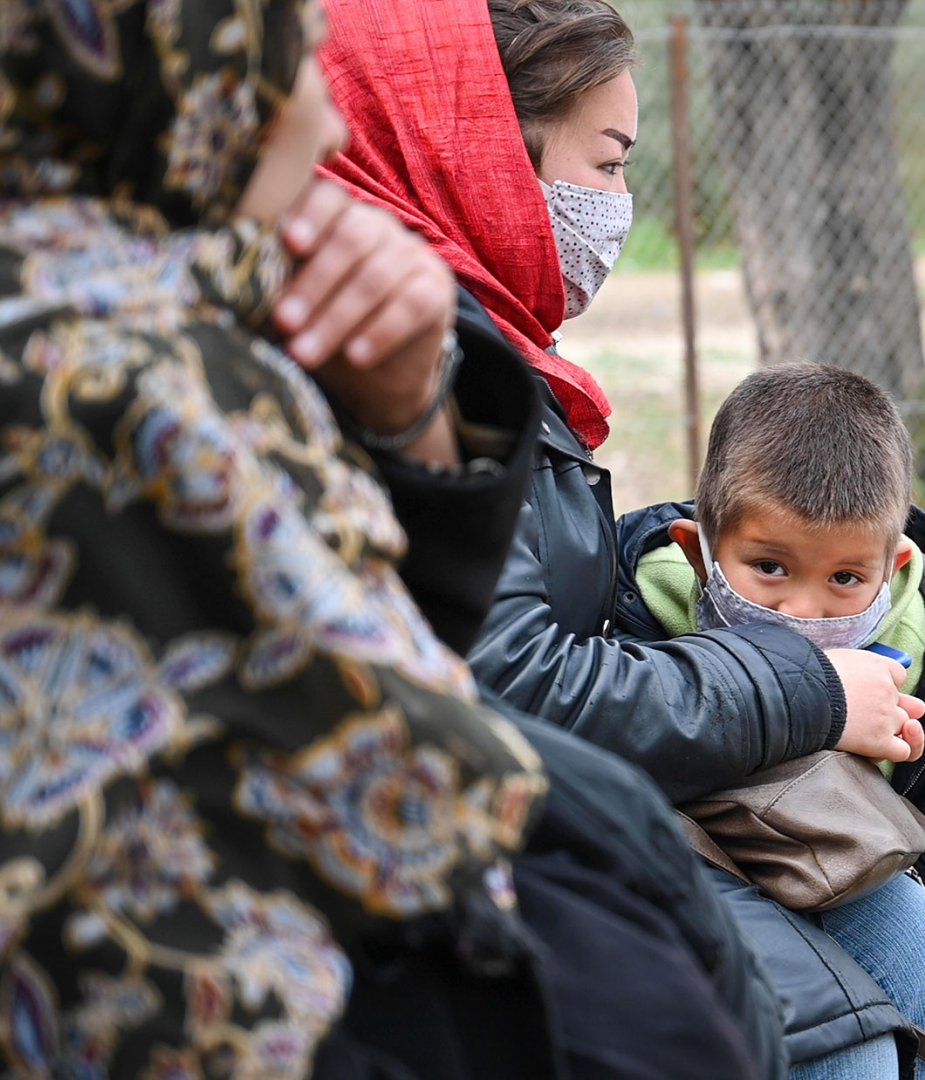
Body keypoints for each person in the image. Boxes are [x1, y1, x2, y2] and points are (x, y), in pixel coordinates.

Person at [310, 0, 925, 1073]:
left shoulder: (484, 342)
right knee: (841, 1033)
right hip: (463, 837)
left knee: (910, 943)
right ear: (477, 145)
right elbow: (501, 675)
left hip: (543, 806)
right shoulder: (403, 357)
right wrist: (803, 687)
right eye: (606, 164)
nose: (619, 205)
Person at [0, 1, 552, 1074]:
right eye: (290, 53)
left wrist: (413, 418)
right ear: (181, 78)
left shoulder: (186, 311)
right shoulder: (112, 380)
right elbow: (419, 772)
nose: (333, 128)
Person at [619, 362, 925, 1079]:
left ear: (892, 565)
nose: (804, 611)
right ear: (700, 551)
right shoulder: (629, 638)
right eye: (770, 568)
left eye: (845, 579)